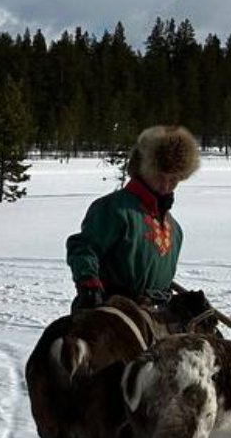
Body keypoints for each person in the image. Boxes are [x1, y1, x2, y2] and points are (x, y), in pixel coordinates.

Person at [67, 125, 201, 312]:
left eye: (174, 179)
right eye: (159, 176)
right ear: (143, 170)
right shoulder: (114, 209)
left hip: (155, 319)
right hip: (110, 313)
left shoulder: (174, 229)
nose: (165, 186)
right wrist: (88, 284)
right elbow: (84, 248)